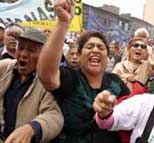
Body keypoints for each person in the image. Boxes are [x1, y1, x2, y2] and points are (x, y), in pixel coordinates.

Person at [37, 0, 130, 143]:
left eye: (100, 47)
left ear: (107, 57)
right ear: (79, 55)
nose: (95, 50)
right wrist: (63, 22)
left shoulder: (116, 83)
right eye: (89, 46)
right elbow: (47, 75)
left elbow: (130, 114)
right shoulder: (70, 77)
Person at [0, 28, 64, 143]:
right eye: (20, 48)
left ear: (44, 54)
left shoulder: (48, 81)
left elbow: (54, 115)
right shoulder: (5, 68)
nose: (23, 54)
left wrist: (33, 127)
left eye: (31, 50)